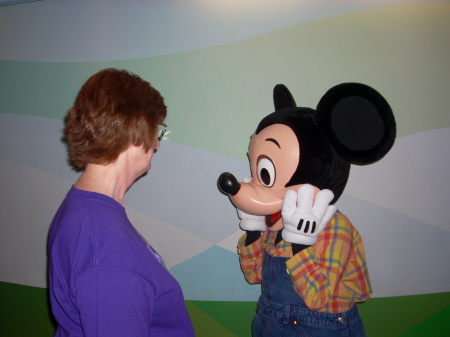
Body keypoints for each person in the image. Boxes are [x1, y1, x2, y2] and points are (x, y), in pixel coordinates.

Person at [48, 68, 195, 337]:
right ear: (135, 128)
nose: (157, 144)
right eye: (156, 130)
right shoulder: (106, 255)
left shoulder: (85, 206)